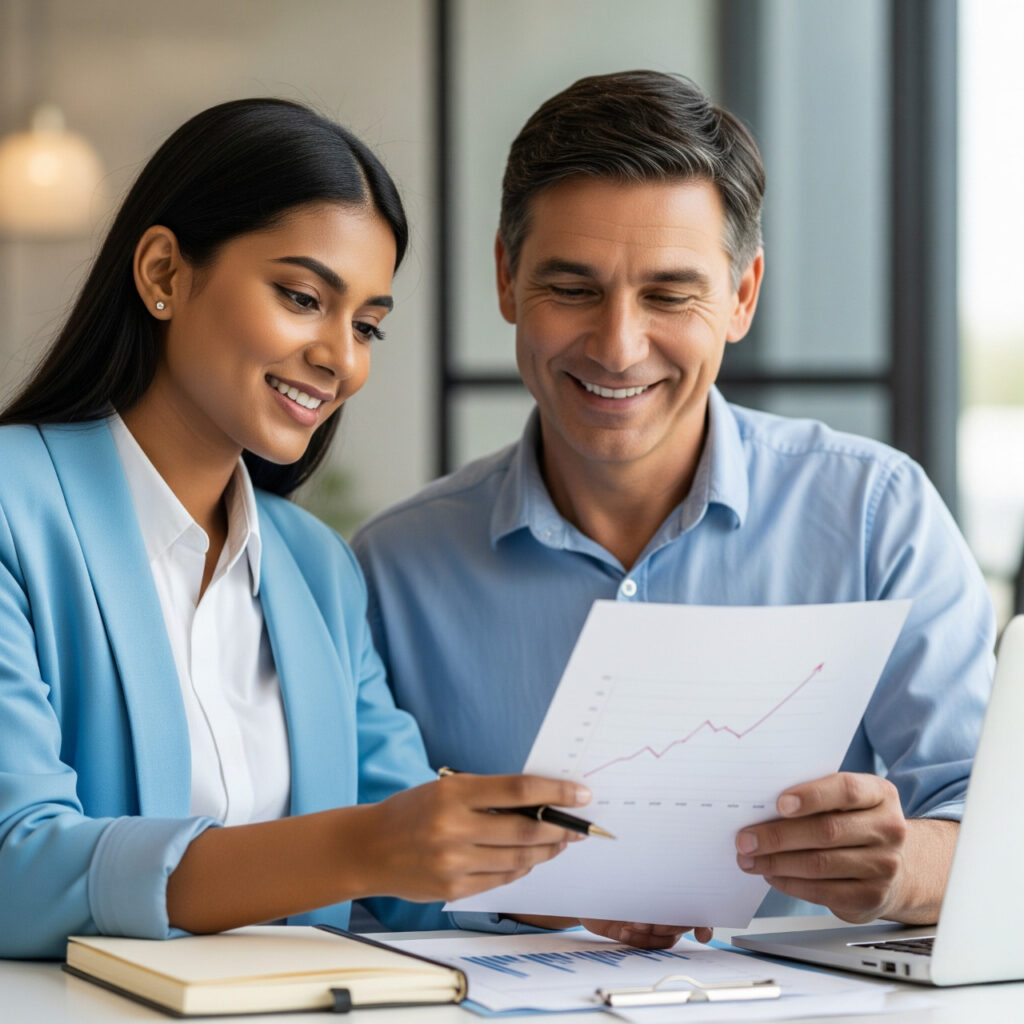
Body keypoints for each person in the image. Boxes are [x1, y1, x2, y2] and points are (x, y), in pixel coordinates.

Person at [0, 97, 666, 961]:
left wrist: (571, 893)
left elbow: (408, 858)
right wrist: (358, 848)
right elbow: (16, 864)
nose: (341, 359)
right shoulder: (17, 507)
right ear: (164, 272)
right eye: (302, 296)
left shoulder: (314, 567)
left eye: (366, 326)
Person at [353, 71, 996, 927]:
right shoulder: (392, 571)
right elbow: (360, 880)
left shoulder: (877, 515)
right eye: (573, 289)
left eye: (669, 294)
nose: (619, 346)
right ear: (507, 279)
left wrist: (907, 866)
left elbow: (999, 836)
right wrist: (528, 900)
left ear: (742, 295)